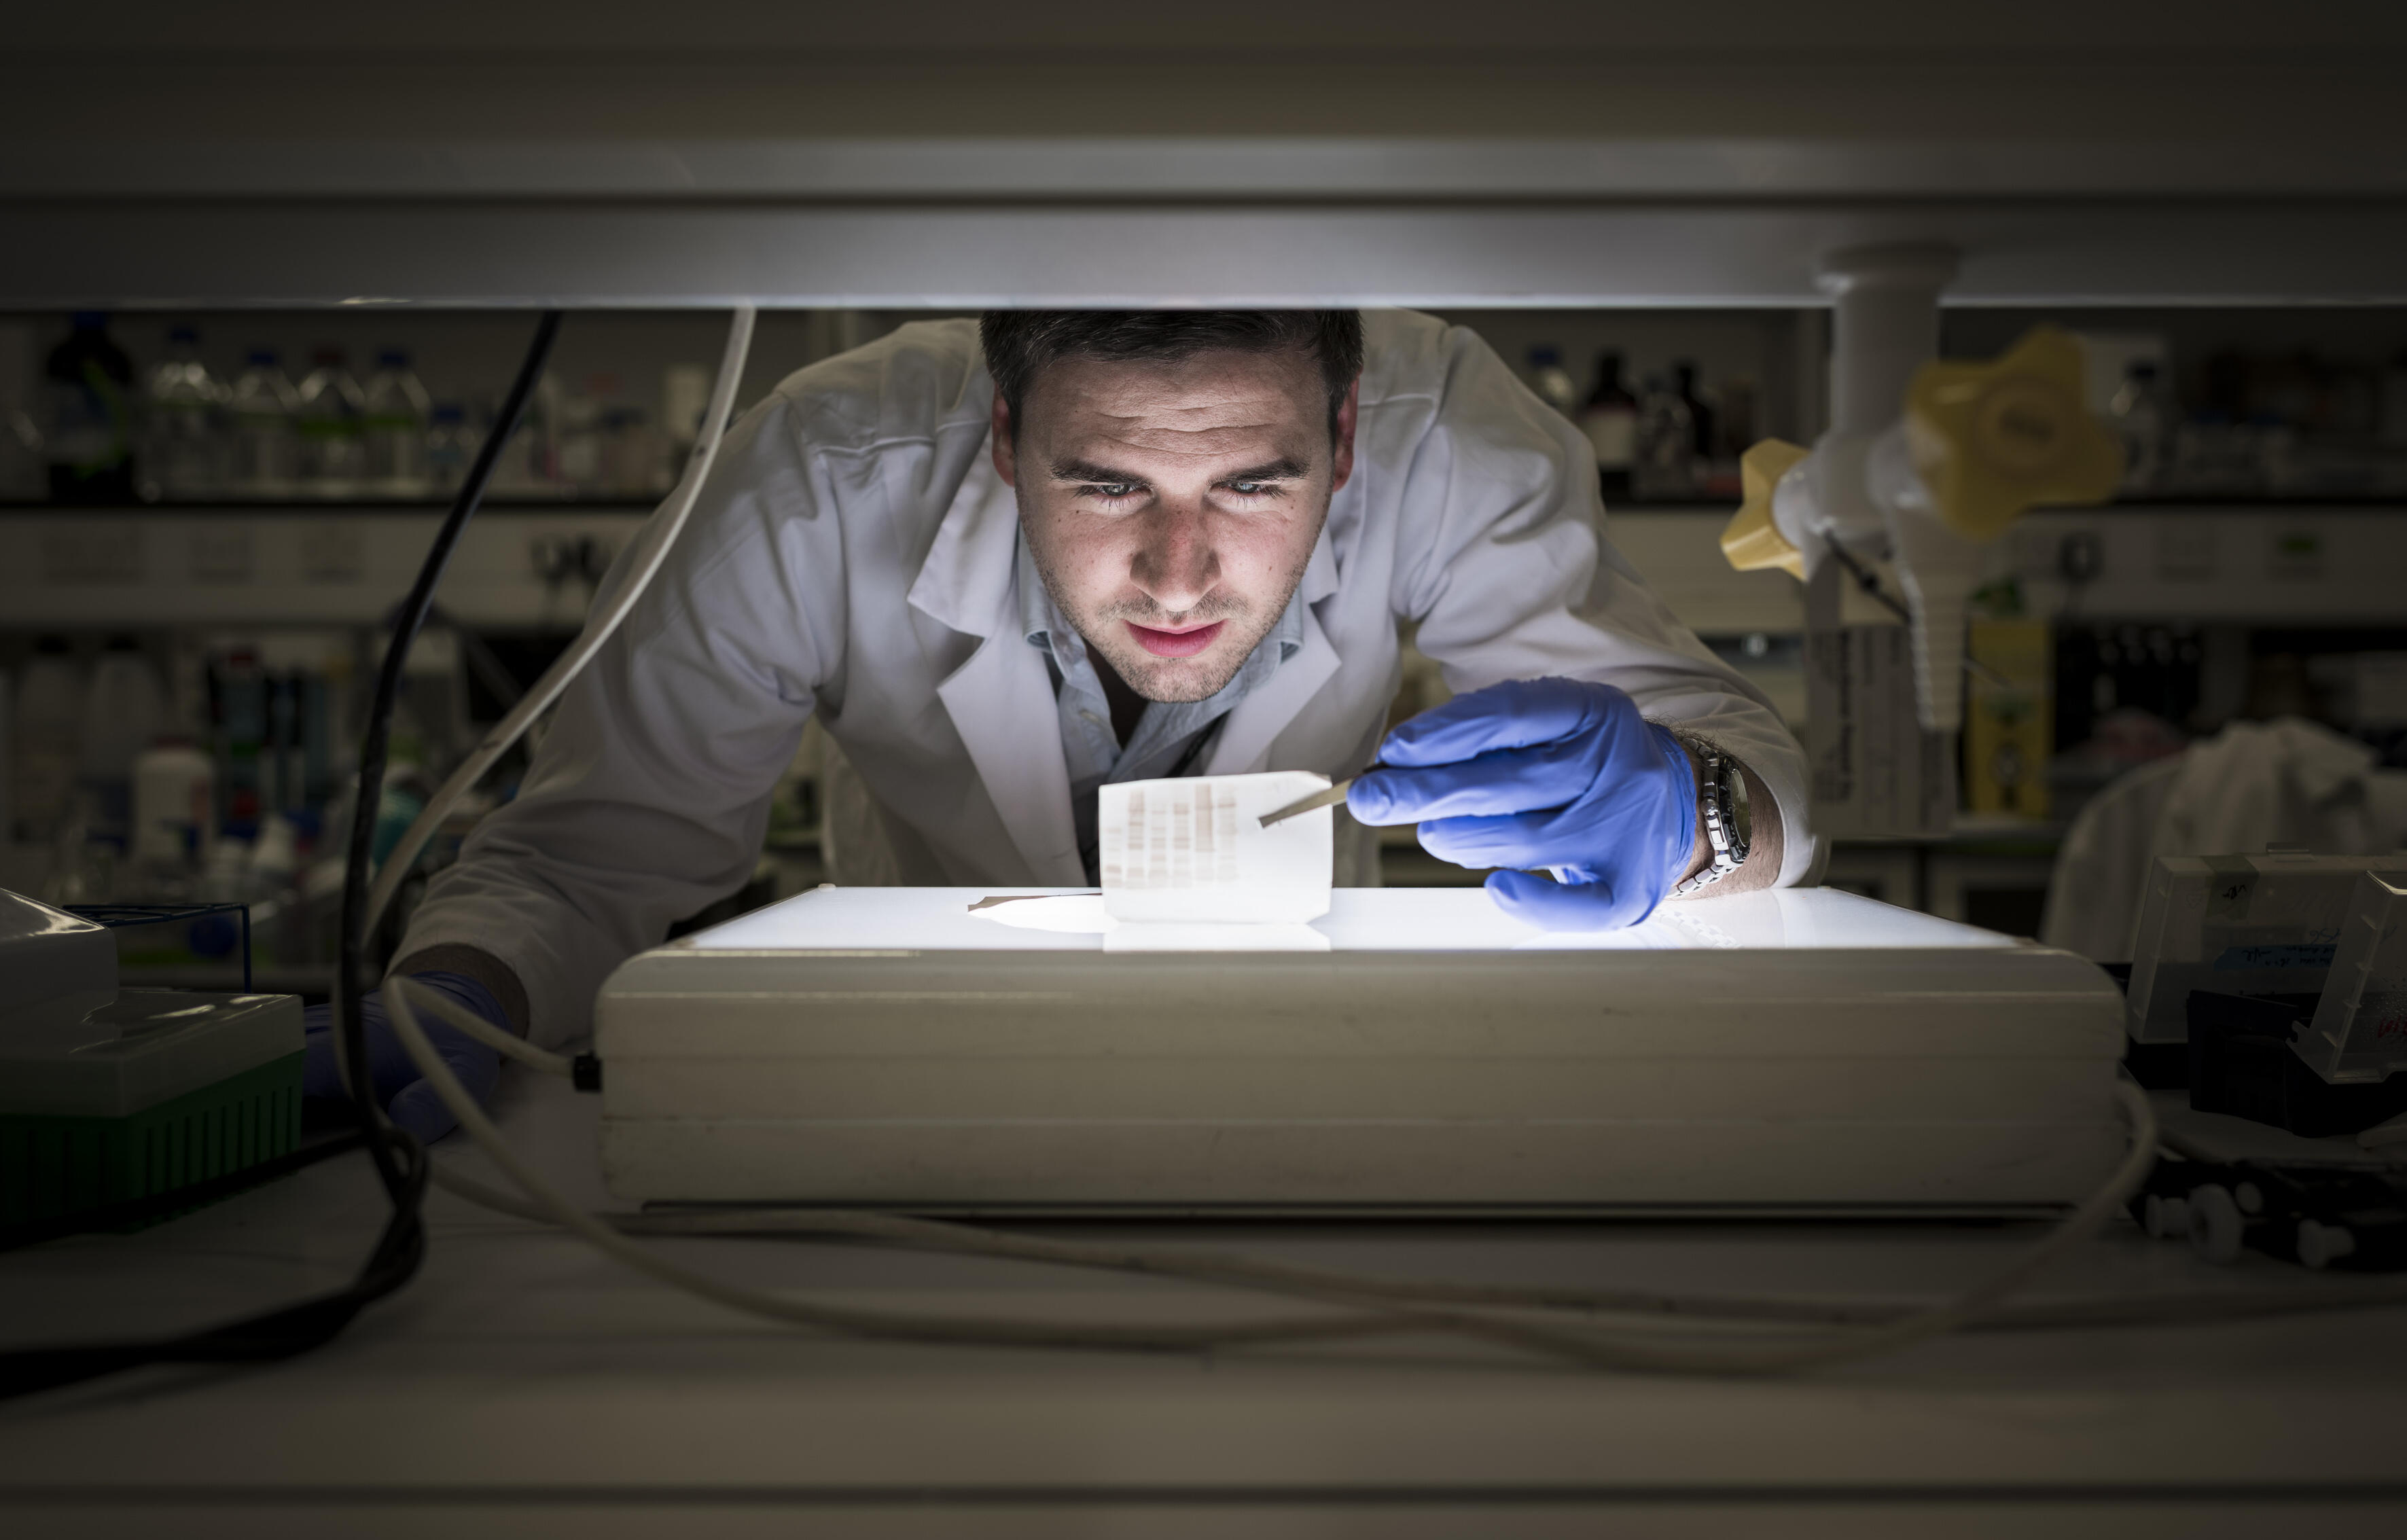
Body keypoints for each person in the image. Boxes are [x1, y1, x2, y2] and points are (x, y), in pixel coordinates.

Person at [310, 310, 1814, 1139]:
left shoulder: (1448, 432)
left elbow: (1737, 762)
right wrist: (452, 999)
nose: (1176, 576)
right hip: (917, 1100)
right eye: (1105, 485)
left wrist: (1691, 808)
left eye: (1248, 485)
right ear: (1004, 432)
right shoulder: (812, 479)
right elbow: (588, 864)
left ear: (1347, 440)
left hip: (1312, 1094)